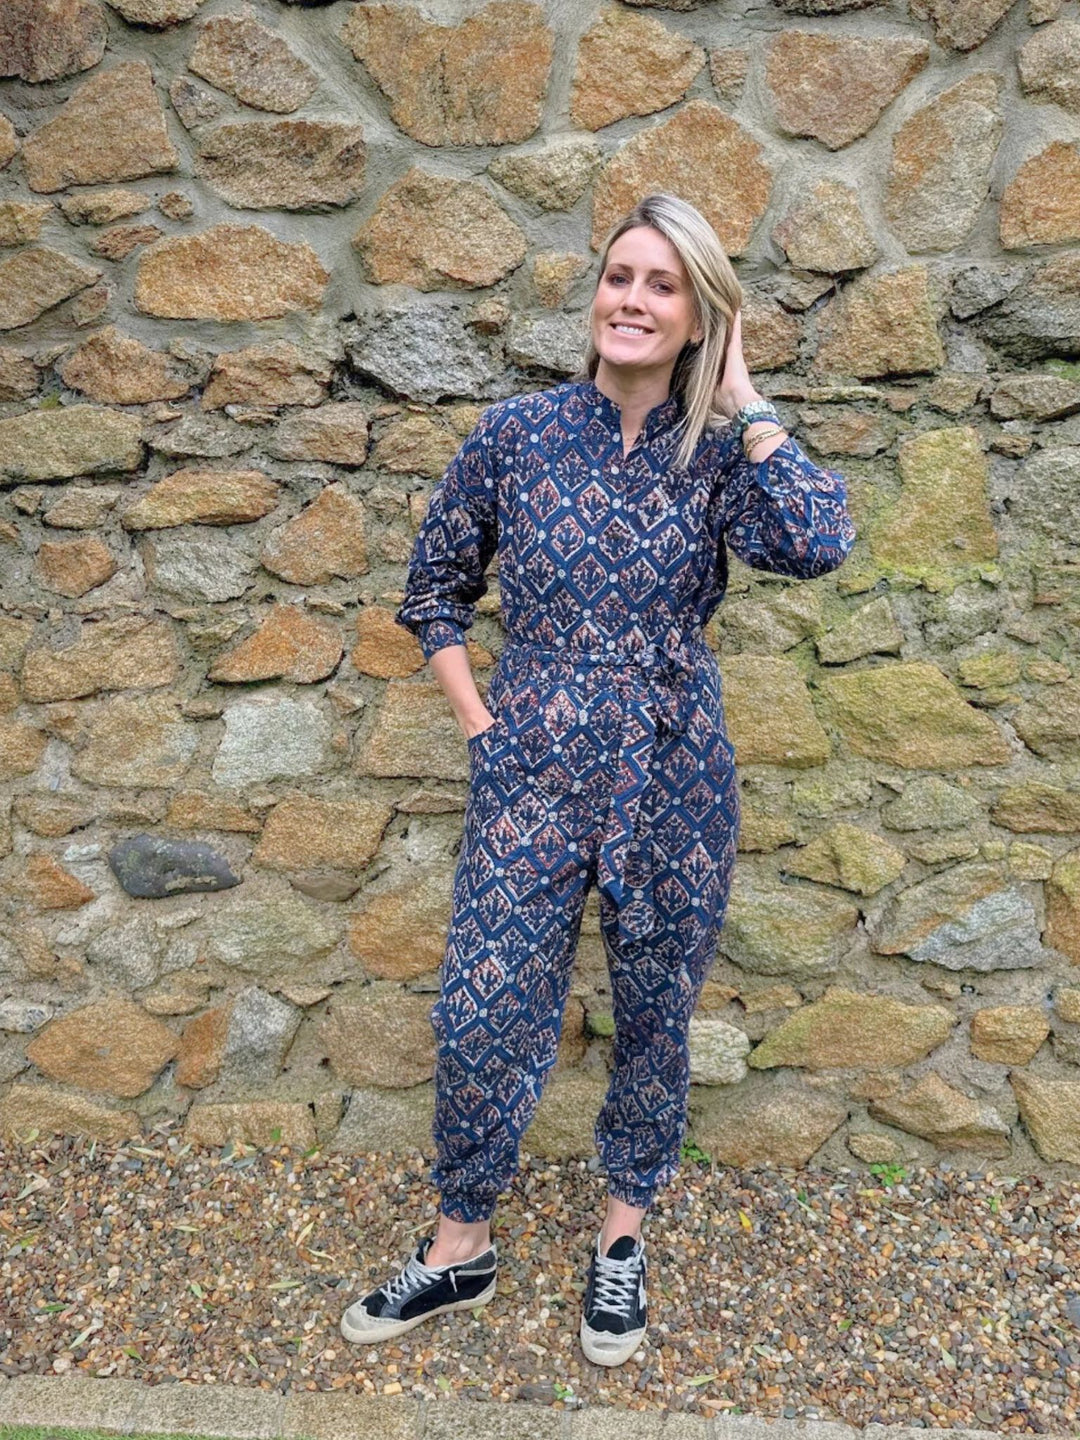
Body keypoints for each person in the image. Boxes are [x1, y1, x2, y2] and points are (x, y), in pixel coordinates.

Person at [340, 192, 856, 1366]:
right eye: (621, 276)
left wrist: (746, 399)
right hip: (529, 773)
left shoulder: (720, 460)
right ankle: (459, 1244)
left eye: (664, 286)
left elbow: (820, 542)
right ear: (596, 296)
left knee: (657, 1017)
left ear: (699, 319)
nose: (632, 299)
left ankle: (620, 1241)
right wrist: (481, 727)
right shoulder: (517, 434)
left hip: (674, 776)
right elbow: (433, 591)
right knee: (482, 1011)